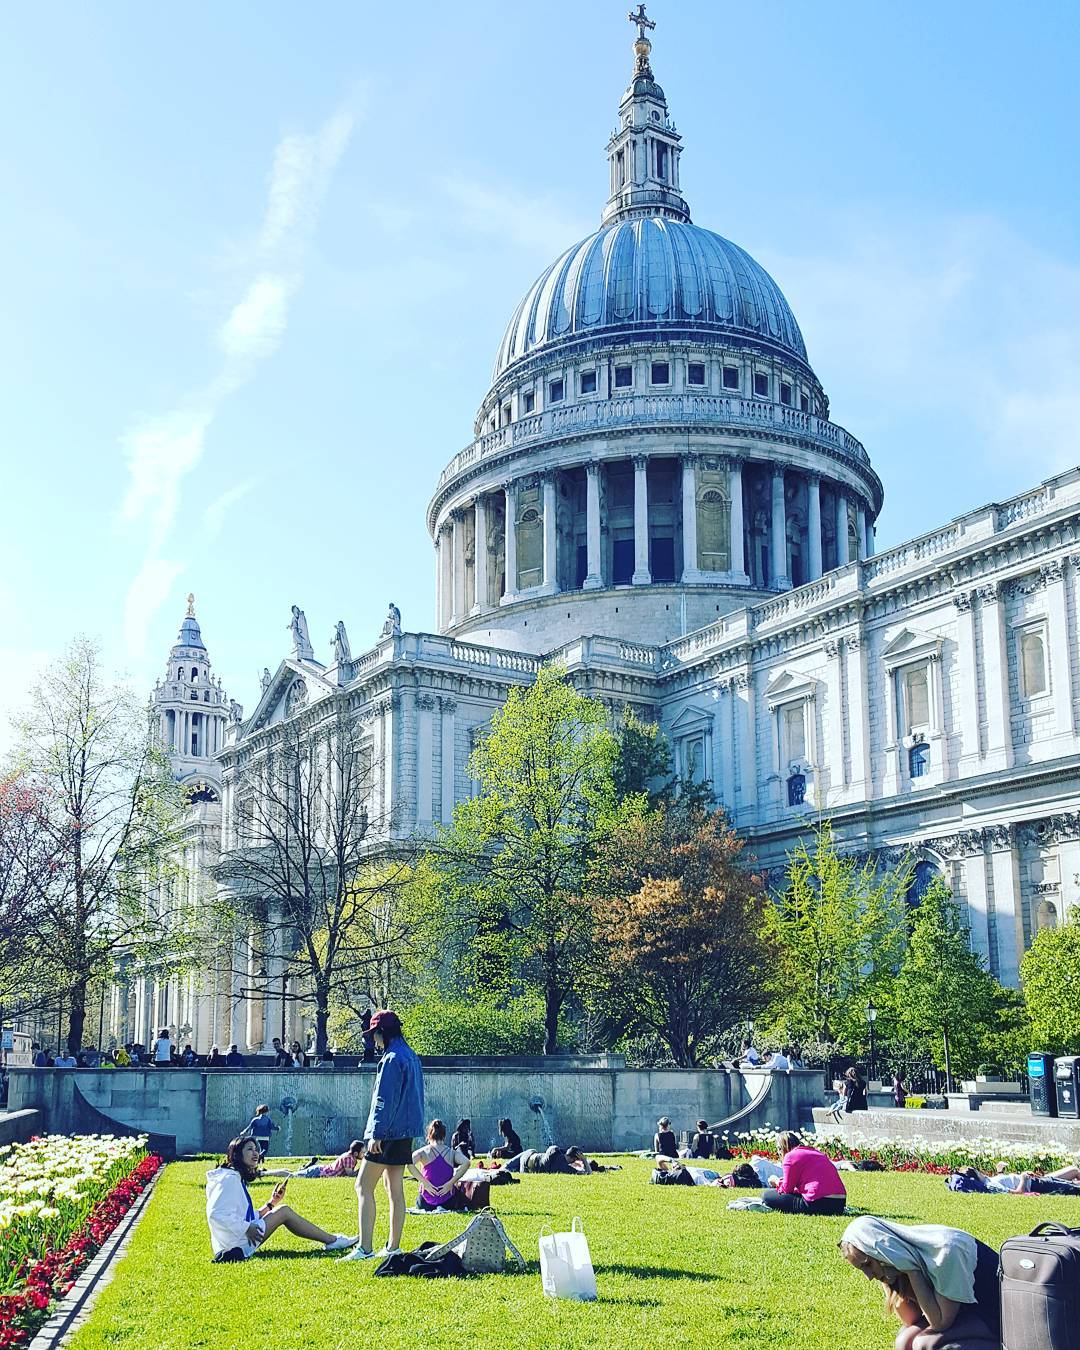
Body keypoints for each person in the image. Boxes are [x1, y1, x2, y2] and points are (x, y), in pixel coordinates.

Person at [340, 1009, 424, 1263]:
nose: (373, 1041)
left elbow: (383, 1100)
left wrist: (375, 1134)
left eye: (373, 1035)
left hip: (387, 1132)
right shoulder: (411, 1056)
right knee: (394, 1189)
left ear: (381, 1033)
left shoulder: (391, 1059)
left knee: (363, 1185)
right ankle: (393, 1247)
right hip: (405, 1133)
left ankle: (365, 1248)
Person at [840, 1216, 1001, 1349]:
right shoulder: (900, 1257)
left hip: (992, 1315)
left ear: (879, 1250)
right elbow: (910, 1317)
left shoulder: (945, 1252)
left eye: (868, 1264)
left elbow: (940, 1323)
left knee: (924, 1344)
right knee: (904, 1340)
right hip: (962, 1312)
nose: (868, 1276)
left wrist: (912, 1271)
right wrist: (887, 1280)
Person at [205, 1137, 357, 1260]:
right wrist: (246, 1228)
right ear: (237, 1154)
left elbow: (246, 1216)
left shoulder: (233, 1177)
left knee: (280, 1209)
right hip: (237, 1243)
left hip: (239, 1238)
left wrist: (271, 1203)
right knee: (284, 1212)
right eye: (250, 1149)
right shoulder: (229, 1179)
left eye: (256, 1149)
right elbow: (217, 1214)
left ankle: (332, 1240)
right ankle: (333, 1241)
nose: (255, 1153)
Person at [760, 1131, 847, 1215]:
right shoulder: (817, 1153)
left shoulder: (790, 1156)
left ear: (780, 1149)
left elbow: (786, 1189)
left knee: (767, 1195)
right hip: (839, 1204)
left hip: (817, 1203)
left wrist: (776, 1181)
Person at [408, 1120, 472, 1210]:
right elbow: (467, 1163)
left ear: (429, 1135)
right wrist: (451, 1183)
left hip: (425, 1203)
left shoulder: (424, 1152)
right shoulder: (451, 1153)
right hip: (448, 1202)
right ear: (444, 1136)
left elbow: (409, 1163)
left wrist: (424, 1183)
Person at [266, 1141, 366, 1179]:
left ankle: (267, 1172)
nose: (364, 1154)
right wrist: (363, 1167)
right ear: (356, 1153)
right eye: (363, 1152)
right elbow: (350, 1175)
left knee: (293, 1173)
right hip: (318, 1172)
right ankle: (265, 1174)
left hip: (318, 1170)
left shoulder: (348, 1156)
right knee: (291, 1175)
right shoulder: (350, 1158)